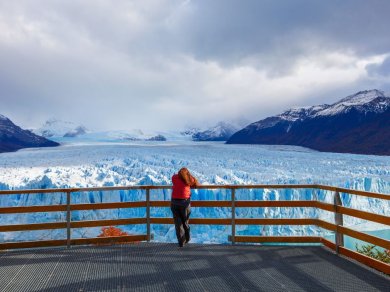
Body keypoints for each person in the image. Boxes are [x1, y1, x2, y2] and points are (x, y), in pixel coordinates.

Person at [171, 167, 199, 247]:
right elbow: (195, 182)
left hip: (174, 203)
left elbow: (173, 178)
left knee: (178, 224)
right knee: (185, 222)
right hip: (184, 203)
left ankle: (181, 242)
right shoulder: (189, 179)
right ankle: (187, 238)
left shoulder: (175, 177)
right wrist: (189, 176)